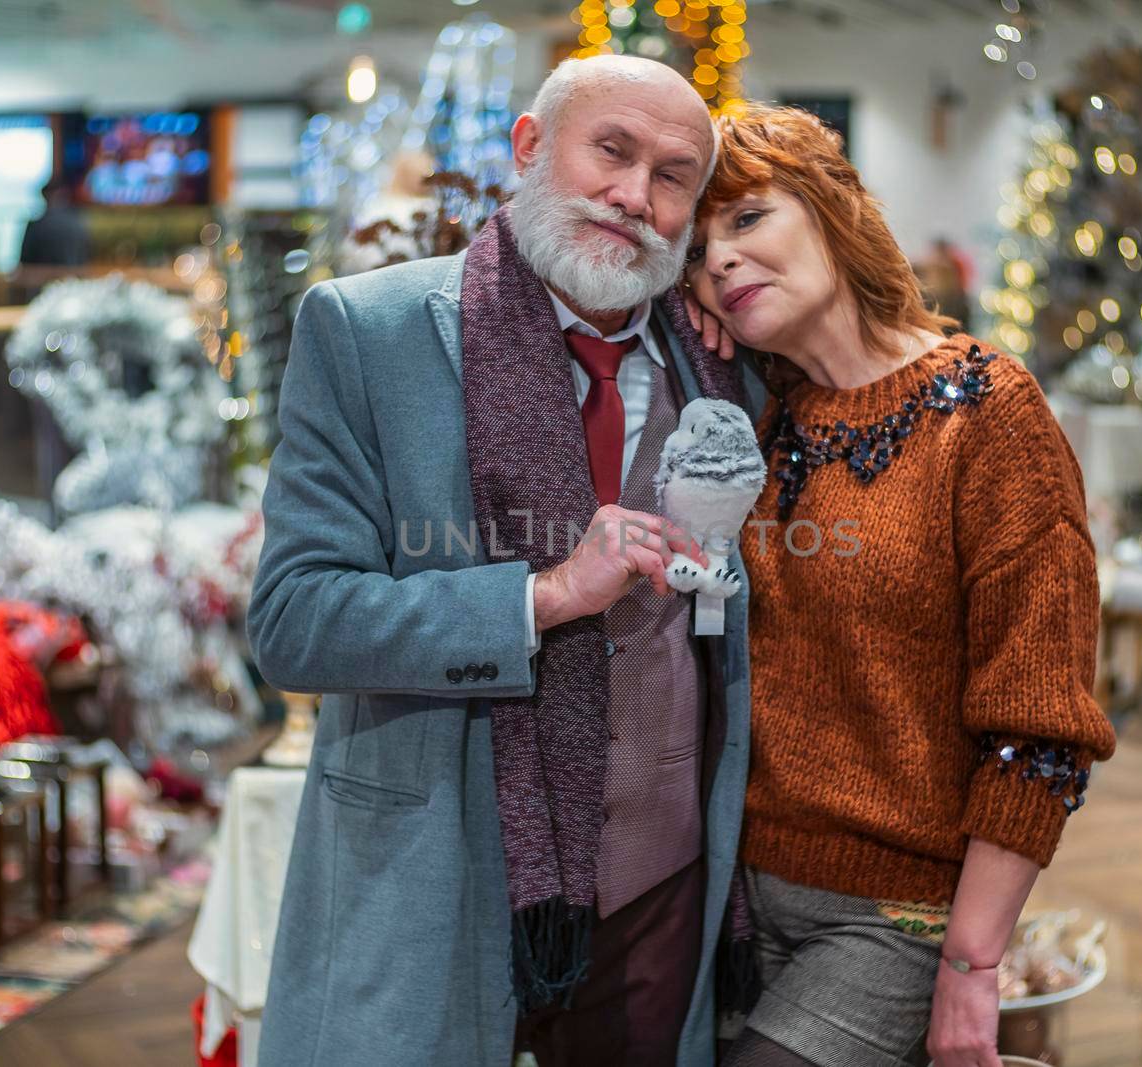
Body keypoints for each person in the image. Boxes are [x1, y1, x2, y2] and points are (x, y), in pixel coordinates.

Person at [248, 55, 765, 1067]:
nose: (633, 195)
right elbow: (294, 619)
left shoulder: (725, 362)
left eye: (672, 177)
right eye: (609, 151)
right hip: (433, 874)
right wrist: (541, 597)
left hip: (663, 886)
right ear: (529, 148)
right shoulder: (371, 330)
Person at [682, 104, 1118, 1067]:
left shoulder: (987, 414)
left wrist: (972, 963)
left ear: (832, 207)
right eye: (696, 249)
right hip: (733, 904)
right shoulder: (745, 424)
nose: (717, 260)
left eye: (747, 219)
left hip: (899, 915)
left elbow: (1041, 723)